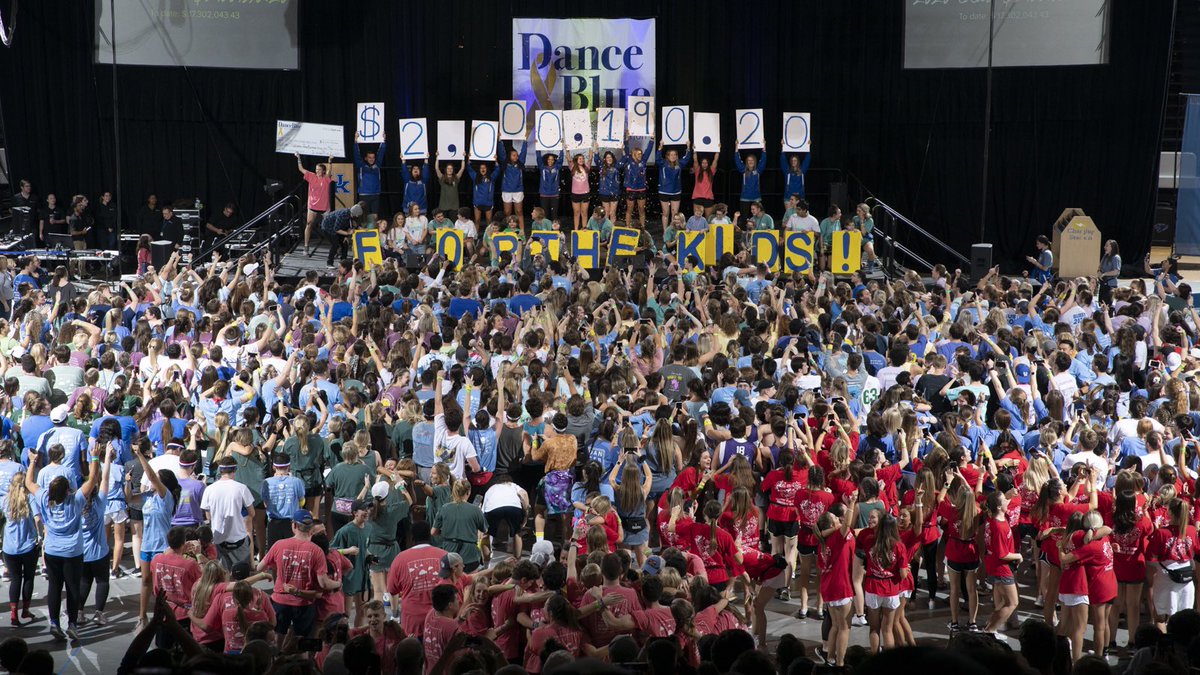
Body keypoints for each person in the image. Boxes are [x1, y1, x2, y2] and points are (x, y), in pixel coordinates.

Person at [23, 432, 105, 645]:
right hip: (73, 551)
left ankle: (53, 622)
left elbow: (29, 482)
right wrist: (95, 458)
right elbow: (93, 478)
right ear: (68, 489)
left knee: (54, 587)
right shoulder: (75, 500)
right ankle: (72, 625)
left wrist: (32, 462)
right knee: (72, 588)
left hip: (52, 550)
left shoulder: (43, 497)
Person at [256, 508, 341, 638]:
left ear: (294, 525)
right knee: (303, 642)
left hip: (280, 601)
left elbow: (260, 567)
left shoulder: (279, 545)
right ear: (311, 528)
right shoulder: (317, 551)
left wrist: (278, 565)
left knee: (278, 637)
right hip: (304, 603)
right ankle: (305, 658)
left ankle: (278, 657)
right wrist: (338, 583)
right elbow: (323, 583)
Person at [386, 521, 448, 637]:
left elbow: (392, 590)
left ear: (412, 537)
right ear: (429, 536)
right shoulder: (445, 556)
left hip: (412, 623)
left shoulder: (400, 559)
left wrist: (395, 613)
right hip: (442, 620)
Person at [200, 456, 255, 571]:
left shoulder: (209, 489)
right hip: (238, 537)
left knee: (223, 576)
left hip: (218, 538)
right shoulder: (241, 488)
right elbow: (252, 513)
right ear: (235, 470)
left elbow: (207, 514)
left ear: (220, 471)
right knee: (242, 577)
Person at [262, 452, 305, 551]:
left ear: (273, 467)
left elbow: (265, 503)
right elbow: (302, 501)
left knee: (274, 552)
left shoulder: (266, 482)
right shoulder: (296, 481)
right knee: (291, 552)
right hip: (291, 523)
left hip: (273, 523)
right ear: (289, 466)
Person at [297, 153, 335, 256]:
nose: (317, 171)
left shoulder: (326, 178)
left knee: (329, 227)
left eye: (319, 169)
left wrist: (330, 161)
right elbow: (301, 169)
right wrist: (298, 158)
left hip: (324, 207)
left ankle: (335, 246)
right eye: (316, 169)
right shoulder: (311, 176)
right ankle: (306, 247)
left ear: (323, 171)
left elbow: (329, 171)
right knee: (309, 225)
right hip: (312, 206)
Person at [657, 140, 691, 233]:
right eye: (671, 155)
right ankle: (665, 231)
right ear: (667, 156)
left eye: (675, 155)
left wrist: (688, 147)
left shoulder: (679, 164)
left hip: (676, 191)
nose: (673, 156)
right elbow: (657, 158)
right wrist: (660, 147)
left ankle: (672, 231)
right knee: (665, 213)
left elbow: (687, 158)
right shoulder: (662, 163)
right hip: (664, 191)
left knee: (675, 214)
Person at [621, 133, 651, 230]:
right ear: (634, 154)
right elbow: (626, 149)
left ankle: (642, 227)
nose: (641, 155)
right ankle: (628, 226)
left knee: (641, 209)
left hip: (641, 189)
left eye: (641, 154)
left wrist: (652, 140)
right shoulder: (629, 160)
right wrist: (626, 139)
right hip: (630, 189)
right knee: (629, 209)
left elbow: (648, 151)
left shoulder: (643, 161)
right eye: (638, 154)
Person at [320, 202, 366, 266]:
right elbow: (336, 229)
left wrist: (360, 228)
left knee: (345, 243)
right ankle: (329, 263)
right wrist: (347, 233)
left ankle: (343, 262)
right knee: (335, 244)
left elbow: (352, 223)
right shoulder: (343, 215)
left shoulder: (350, 213)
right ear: (356, 214)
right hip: (328, 227)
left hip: (338, 228)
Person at [353, 132, 386, 217]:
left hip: (376, 194)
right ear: (366, 158)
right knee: (363, 215)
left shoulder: (377, 165)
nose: (372, 159)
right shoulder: (361, 166)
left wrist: (383, 141)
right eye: (369, 157)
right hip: (364, 194)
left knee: (375, 216)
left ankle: (373, 230)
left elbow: (381, 153)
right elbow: (356, 154)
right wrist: (355, 141)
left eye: (373, 157)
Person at [467, 139, 499, 226]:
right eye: (481, 168)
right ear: (479, 170)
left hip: (488, 203)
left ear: (487, 169)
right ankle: (476, 238)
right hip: (478, 203)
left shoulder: (491, 178)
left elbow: (497, 169)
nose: (483, 169)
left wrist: (496, 160)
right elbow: (469, 168)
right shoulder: (475, 177)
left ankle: (489, 237)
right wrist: (469, 158)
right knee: (477, 221)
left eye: (484, 168)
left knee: (489, 221)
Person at [500, 139, 529, 230]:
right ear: (510, 156)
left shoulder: (520, 163)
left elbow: (523, 152)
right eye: (514, 155)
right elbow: (502, 152)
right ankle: (507, 231)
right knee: (507, 212)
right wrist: (500, 141)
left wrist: (525, 141)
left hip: (518, 190)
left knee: (519, 211)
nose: (516, 157)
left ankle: (522, 232)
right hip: (507, 190)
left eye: (517, 155)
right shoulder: (505, 163)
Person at [536, 144, 565, 223]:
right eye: (549, 159)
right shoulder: (542, 167)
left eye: (552, 159)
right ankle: (546, 230)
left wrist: (561, 147)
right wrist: (537, 147)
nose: (550, 161)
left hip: (554, 194)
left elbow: (561, 159)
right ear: (546, 160)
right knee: (545, 214)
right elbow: (538, 158)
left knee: (554, 214)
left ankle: (554, 230)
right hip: (544, 194)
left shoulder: (557, 167)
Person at [733, 147, 765, 218]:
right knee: (744, 218)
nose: (750, 162)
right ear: (746, 162)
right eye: (749, 160)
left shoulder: (758, 170)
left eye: (752, 160)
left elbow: (763, 161)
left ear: (755, 161)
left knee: (757, 218)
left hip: (756, 198)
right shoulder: (743, 170)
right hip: (745, 198)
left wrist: (764, 150)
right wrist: (736, 149)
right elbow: (737, 161)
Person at [435, 151, 467, 215]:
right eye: (448, 168)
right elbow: (437, 168)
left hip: (454, 206)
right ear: (446, 170)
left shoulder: (456, 178)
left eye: (451, 168)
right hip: (443, 206)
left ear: (453, 170)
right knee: (444, 224)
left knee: (453, 224)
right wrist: (437, 157)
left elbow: (462, 168)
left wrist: (463, 157)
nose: (450, 170)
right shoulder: (442, 178)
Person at [569, 150, 593, 232]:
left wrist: (591, 148)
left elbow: (590, 158)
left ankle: (584, 229)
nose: (581, 160)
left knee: (584, 212)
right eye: (579, 158)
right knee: (576, 212)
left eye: (582, 158)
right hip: (575, 193)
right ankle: (576, 229)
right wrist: (567, 149)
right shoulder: (572, 167)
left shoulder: (586, 167)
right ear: (576, 160)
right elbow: (568, 158)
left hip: (585, 193)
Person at [691, 150, 719, 218]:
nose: (704, 164)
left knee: (708, 219)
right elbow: (695, 160)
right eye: (703, 163)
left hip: (708, 198)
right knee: (696, 218)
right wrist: (694, 151)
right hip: (697, 197)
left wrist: (718, 150)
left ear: (708, 164)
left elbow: (715, 160)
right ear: (701, 164)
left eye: (706, 163)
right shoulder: (697, 170)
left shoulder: (711, 171)